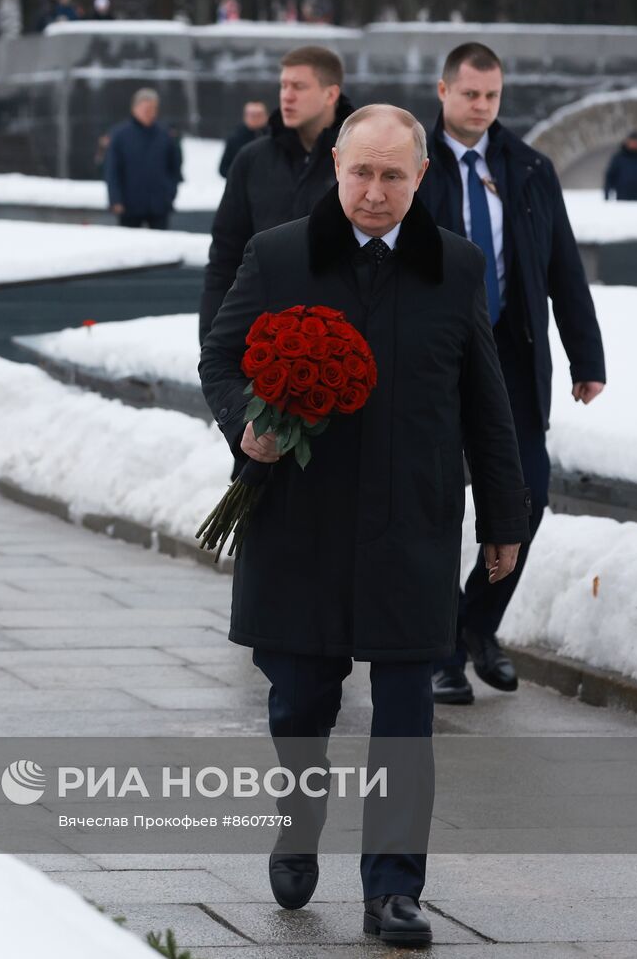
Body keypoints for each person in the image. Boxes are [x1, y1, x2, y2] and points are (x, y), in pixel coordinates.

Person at [200, 105, 530, 946]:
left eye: (394, 176)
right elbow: (222, 353)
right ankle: (298, 817)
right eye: (362, 173)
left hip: (409, 524)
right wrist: (248, 422)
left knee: (404, 712)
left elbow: (484, 404)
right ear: (337, 168)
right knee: (300, 703)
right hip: (299, 524)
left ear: (421, 178)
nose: (376, 191)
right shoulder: (278, 254)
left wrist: (503, 517)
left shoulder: (454, 266)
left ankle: (393, 890)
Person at [417, 43, 607, 705]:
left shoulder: (529, 168)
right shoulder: (412, 163)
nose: (482, 106)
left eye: (492, 96)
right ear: (443, 91)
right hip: (435, 360)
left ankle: (477, 626)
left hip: (512, 360)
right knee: (438, 504)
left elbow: (563, 268)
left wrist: (587, 358)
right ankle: (439, 654)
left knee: (527, 494)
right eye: (470, 94)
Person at [199, 46, 354, 344]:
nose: (287, 95)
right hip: (262, 342)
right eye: (283, 85)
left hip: (343, 342)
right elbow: (224, 257)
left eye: (299, 86)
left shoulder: (361, 161)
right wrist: (212, 340)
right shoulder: (252, 160)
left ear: (330, 94)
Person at [104, 88, 183, 230]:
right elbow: (112, 170)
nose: (150, 112)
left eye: (153, 108)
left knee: (160, 246)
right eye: (146, 108)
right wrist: (115, 199)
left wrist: (170, 193)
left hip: (159, 204)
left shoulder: (165, 135)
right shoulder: (120, 135)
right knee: (130, 246)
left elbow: (175, 167)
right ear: (135, 108)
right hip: (129, 204)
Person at [218, 101, 269, 179]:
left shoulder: (274, 138)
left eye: (259, 115)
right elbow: (223, 169)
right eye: (252, 115)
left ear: (266, 116)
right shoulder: (235, 139)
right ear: (245, 116)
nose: (255, 118)